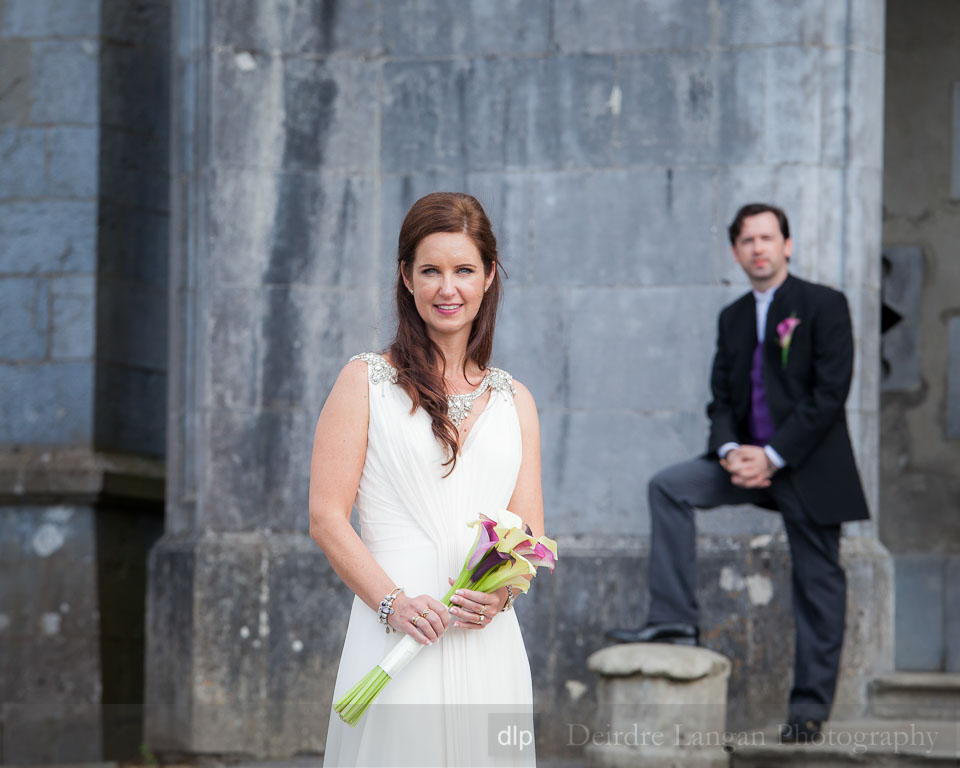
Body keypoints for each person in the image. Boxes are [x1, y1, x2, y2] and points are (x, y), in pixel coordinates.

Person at [605, 203, 869, 743]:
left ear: (787, 245)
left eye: (767, 238)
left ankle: (809, 708)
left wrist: (772, 455)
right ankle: (675, 618)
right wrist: (729, 451)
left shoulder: (824, 305)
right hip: (742, 462)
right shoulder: (731, 316)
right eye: (747, 240)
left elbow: (828, 395)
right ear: (735, 252)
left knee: (819, 583)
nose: (758, 248)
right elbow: (721, 398)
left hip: (805, 463)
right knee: (670, 487)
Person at [311, 192, 543, 767]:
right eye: (431, 270)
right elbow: (326, 517)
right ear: (405, 278)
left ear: (488, 277)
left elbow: (530, 534)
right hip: (396, 631)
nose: (448, 288)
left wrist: (500, 597)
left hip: (487, 640)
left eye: (464, 270)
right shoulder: (364, 381)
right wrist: (393, 604)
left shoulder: (517, 401)